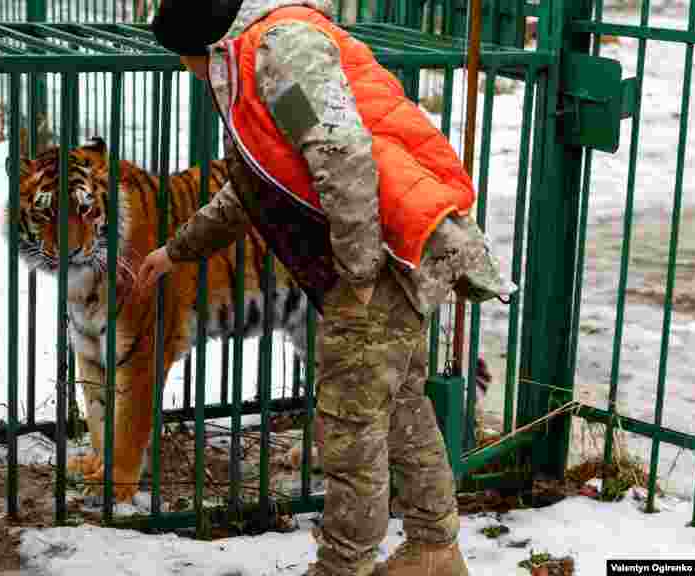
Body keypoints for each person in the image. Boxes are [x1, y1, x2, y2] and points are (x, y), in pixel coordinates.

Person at [135, 1, 515, 575]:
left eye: (184, 61)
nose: (190, 74)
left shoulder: (279, 53)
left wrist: (357, 277)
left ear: (202, 46)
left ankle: (345, 566)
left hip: (387, 250)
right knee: (399, 404)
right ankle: (435, 548)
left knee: (350, 424)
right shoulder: (261, 61)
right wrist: (176, 250)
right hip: (392, 246)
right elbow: (255, 186)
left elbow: (343, 155)